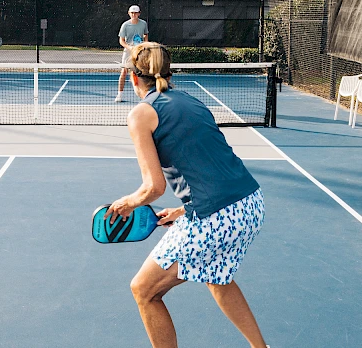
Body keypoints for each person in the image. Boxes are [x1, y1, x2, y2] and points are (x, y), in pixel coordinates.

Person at [105, 42, 268, 348]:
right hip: (249, 203)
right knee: (217, 276)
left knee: (144, 290)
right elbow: (209, 164)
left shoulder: (141, 114)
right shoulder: (190, 100)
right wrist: (182, 211)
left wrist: (126, 204)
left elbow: (154, 187)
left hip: (216, 216)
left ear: (133, 77)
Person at [115, 5, 148, 102]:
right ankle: (119, 95)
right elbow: (121, 41)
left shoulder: (143, 24)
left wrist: (145, 45)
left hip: (140, 52)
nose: (134, 15)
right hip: (128, 51)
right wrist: (129, 47)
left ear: (139, 13)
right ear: (129, 13)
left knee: (142, 72)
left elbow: (145, 35)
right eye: (132, 13)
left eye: (136, 13)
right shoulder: (125, 25)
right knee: (124, 72)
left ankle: (145, 95)